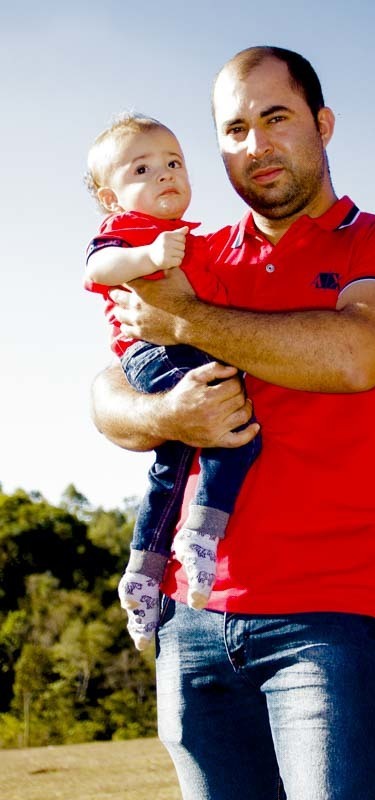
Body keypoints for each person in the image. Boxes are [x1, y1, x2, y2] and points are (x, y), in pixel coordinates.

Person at [91, 46, 375, 800]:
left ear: (323, 124)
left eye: (276, 118)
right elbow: (107, 392)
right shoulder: (190, 253)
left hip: (329, 616)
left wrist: (184, 318)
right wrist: (165, 413)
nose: (255, 145)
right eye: (234, 129)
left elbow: (355, 353)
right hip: (190, 619)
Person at [84, 113, 260, 650]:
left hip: (183, 351)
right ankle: (200, 535)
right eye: (142, 169)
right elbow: (98, 269)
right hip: (154, 353)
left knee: (175, 461)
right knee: (233, 431)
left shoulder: (195, 241)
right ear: (112, 198)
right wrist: (150, 256)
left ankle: (143, 572)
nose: (164, 174)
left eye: (174, 163)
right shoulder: (133, 230)